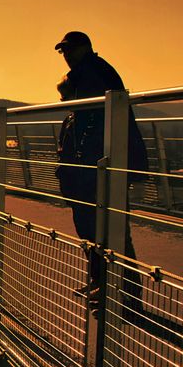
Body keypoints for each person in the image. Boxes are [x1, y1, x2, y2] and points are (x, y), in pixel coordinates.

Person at [53, 31, 148, 312]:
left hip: (102, 167)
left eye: (69, 50)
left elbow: (96, 122)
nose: (66, 55)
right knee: (97, 230)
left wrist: (84, 162)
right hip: (97, 167)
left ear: (85, 48)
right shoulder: (90, 72)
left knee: (109, 232)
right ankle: (105, 286)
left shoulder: (92, 74)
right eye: (62, 51)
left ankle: (123, 296)